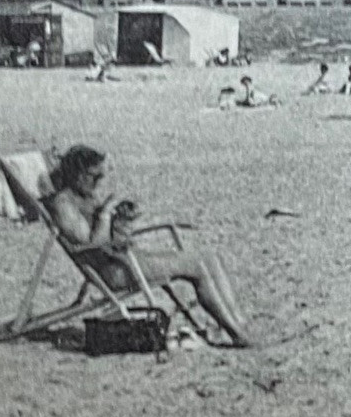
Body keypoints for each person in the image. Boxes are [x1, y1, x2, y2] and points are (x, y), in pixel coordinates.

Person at [45, 146, 255, 347]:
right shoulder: (63, 205)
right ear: (77, 174)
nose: (99, 182)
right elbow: (92, 244)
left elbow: (107, 233)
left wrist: (121, 219)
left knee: (210, 257)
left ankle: (238, 323)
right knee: (198, 265)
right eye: (94, 177)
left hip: (125, 258)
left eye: (101, 176)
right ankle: (237, 333)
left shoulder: (85, 195)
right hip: (115, 271)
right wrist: (106, 213)